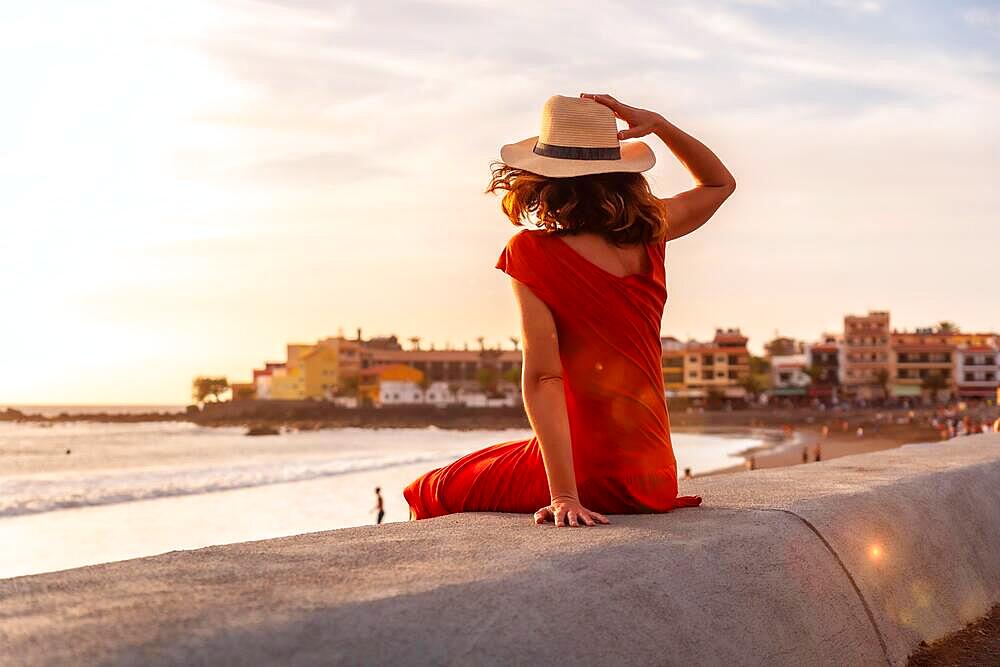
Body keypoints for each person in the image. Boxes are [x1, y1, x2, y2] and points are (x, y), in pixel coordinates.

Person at [404, 94, 735, 527]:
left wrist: (563, 495)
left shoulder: (530, 252)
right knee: (493, 457)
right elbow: (718, 184)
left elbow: (544, 377)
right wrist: (659, 125)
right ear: (622, 173)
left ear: (543, 179)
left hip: (591, 477)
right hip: (653, 475)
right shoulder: (652, 232)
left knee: (433, 488)